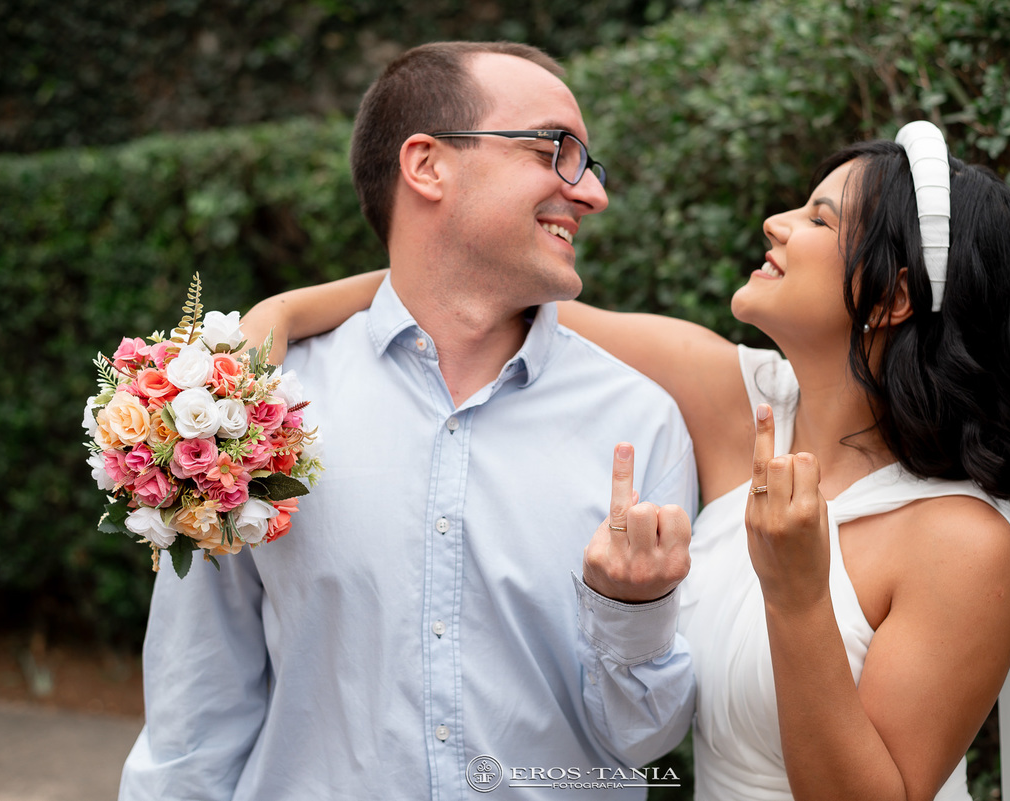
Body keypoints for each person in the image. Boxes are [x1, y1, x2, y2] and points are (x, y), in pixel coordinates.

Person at [253, 120, 1010, 800]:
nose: (777, 221)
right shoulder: (739, 404)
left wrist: (800, 594)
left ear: (892, 297)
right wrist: (280, 314)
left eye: (818, 218)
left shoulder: (960, 540)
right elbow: (478, 287)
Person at [119, 41, 700, 801]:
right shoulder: (252, 413)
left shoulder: (640, 420)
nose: (591, 191)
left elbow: (648, 740)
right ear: (426, 164)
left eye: (588, 162)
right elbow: (194, 716)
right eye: (557, 149)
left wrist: (634, 614)